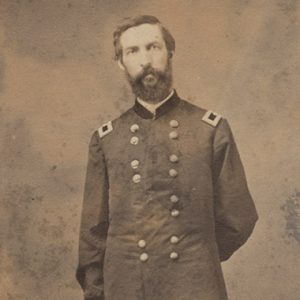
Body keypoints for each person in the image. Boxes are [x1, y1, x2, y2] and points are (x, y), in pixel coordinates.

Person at [76, 15, 258, 300]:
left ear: (170, 53)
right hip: (126, 288)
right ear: (121, 63)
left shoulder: (209, 129)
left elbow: (239, 217)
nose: (145, 59)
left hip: (195, 286)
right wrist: (97, 290)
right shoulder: (106, 140)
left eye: (153, 47)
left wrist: (198, 256)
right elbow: (92, 232)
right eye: (132, 51)